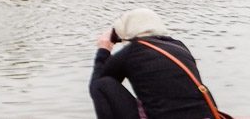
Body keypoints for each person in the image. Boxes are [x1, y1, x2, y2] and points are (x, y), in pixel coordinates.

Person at [90, 8, 227, 119]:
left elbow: (101, 80)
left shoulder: (132, 51)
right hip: (206, 116)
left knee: (101, 84)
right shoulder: (179, 47)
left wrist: (104, 48)